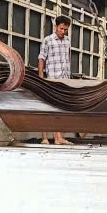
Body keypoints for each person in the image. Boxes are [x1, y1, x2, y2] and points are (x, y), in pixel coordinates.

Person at [38, 15, 73, 145]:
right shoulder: (48, 40)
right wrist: (41, 77)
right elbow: (41, 58)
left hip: (64, 79)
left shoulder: (67, 41)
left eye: (66, 29)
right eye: (61, 29)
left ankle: (58, 137)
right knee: (48, 108)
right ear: (56, 26)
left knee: (60, 108)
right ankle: (45, 137)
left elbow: (67, 59)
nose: (63, 31)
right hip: (52, 78)